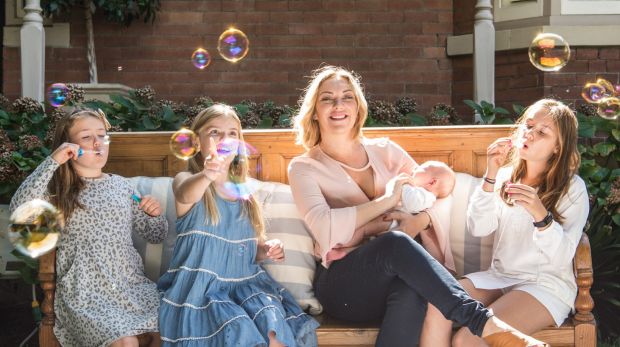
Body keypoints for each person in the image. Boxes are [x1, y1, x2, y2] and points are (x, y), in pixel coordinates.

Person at [288, 65, 548, 347]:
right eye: (327, 98)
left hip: (398, 277)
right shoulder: (304, 167)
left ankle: (485, 325)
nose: (338, 105)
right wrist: (386, 206)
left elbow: (429, 198)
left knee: (412, 288)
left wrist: (418, 222)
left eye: (347, 97)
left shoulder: (386, 151)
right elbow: (325, 226)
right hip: (344, 287)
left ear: (358, 106)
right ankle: (484, 324)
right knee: (396, 245)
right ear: (314, 111)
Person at [421, 99, 588, 346]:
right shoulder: (505, 176)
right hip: (500, 276)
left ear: (558, 148)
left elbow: (562, 256)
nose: (530, 134)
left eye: (542, 132)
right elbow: (479, 227)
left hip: (543, 285)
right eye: (528, 126)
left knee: (467, 341)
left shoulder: (572, 189)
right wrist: (490, 175)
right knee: (439, 303)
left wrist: (541, 216)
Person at [158, 104, 319, 347]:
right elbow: (184, 194)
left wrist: (266, 249)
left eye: (232, 133)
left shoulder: (246, 194)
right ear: (197, 143)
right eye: (214, 133)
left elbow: (246, 249)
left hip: (248, 287)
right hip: (202, 292)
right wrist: (208, 174)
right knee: (238, 331)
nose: (225, 139)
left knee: (275, 336)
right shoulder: (188, 181)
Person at [10, 108, 167, 347]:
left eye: (102, 135)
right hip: (85, 294)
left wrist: (154, 214)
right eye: (86, 137)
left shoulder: (123, 187)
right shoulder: (57, 192)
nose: (97, 142)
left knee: (170, 330)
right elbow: (19, 209)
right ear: (68, 147)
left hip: (131, 287)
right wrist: (53, 161)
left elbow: (156, 235)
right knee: (125, 342)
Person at [388, 161, 456, 231]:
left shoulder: (425, 197)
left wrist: (401, 184)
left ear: (432, 182)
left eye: (422, 168)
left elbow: (410, 202)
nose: (415, 169)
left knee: (382, 222)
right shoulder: (421, 193)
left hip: (396, 223)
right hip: (393, 216)